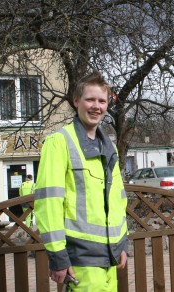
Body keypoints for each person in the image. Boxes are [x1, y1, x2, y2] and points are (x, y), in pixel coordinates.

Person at [34, 71, 128, 291]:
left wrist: (121, 244)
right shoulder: (59, 142)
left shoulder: (109, 147)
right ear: (76, 101)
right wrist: (58, 256)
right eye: (90, 99)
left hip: (110, 258)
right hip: (80, 259)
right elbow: (49, 204)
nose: (96, 106)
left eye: (102, 101)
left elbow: (117, 201)